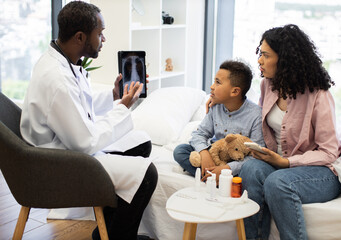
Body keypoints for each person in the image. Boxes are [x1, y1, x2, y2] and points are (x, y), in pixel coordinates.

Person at [20, 2, 157, 240]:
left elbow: (77, 104)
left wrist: (114, 96)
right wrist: (123, 107)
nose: (103, 39)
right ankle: (117, 237)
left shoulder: (61, 60)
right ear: (81, 37)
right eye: (100, 33)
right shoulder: (57, 79)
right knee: (147, 173)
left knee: (141, 143)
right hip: (57, 164)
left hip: (66, 146)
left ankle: (107, 229)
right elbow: (85, 142)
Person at [238, 24, 341, 239]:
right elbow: (259, 119)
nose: (259, 60)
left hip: (319, 172)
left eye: (266, 55)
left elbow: (329, 152)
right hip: (279, 163)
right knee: (250, 169)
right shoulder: (267, 85)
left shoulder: (318, 95)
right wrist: (221, 106)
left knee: (277, 182)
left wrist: (286, 163)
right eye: (260, 53)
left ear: (284, 59)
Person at [173, 60, 265, 182]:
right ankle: (215, 178)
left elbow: (256, 154)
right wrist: (204, 153)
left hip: (237, 162)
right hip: (214, 154)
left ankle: (214, 177)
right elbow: (200, 134)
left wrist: (227, 168)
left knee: (251, 169)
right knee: (180, 151)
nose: (212, 87)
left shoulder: (256, 115)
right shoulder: (216, 107)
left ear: (235, 91)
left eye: (217, 82)